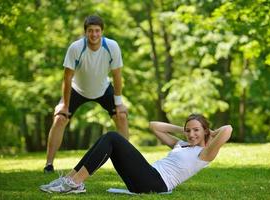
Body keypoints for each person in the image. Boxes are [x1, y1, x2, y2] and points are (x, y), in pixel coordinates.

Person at [40, 113, 232, 194]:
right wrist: (183, 129)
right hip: (146, 177)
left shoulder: (205, 153)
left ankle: (75, 183)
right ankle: (71, 179)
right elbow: (154, 126)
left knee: (113, 138)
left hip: (156, 182)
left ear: (205, 131)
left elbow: (228, 129)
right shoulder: (181, 143)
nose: (191, 134)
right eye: (189, 130)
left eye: (196, 130)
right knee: (107, 139)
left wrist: (211, 132)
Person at [44, 15, 129, 173]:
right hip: (77, 89)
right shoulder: (76, 48)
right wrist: (64, 104)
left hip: (103, 89)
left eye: (97, 31)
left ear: (102, 32)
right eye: (90, 31)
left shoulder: (112, 46)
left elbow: (117, 75)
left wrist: (119, 102)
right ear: (85, 32)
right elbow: (67, 77)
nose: (94, 34)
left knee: (122, 116)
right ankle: (49, 164)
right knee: (59, 119)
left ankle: (128, 164)